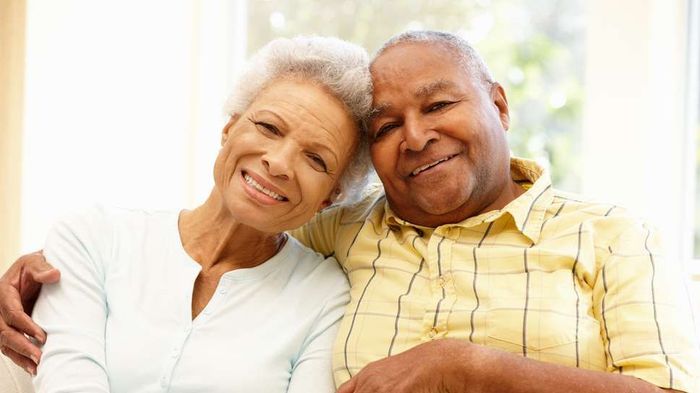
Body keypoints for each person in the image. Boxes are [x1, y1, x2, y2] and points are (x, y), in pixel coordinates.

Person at [1, 30, 698, 393]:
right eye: (387, 123)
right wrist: (49, 267)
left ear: (501, 104)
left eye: (439, 104)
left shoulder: (610, 235)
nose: (416, 136)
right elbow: (241, 217)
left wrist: (468, 366)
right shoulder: (345, 231)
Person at [0, 35, 373, 393]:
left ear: (331, 196)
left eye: (316, 159)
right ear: (229, 128)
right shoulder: (91, 237)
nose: (278, 164)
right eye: (269, 127)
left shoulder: (325, 296)